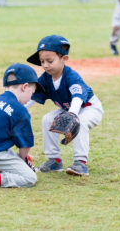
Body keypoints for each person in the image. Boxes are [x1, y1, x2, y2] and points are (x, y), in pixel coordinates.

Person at [26, 35, 104, 176]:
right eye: (42, 61)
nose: (45, 65)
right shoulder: (45, 78)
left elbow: (78, 96)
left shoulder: (71, 76)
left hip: (89, 107)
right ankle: (54, 160)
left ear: (64, 59)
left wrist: (72, 114)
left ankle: (80, 163)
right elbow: (32, 97)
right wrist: (19, 108)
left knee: (79, 122)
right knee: (47, 119)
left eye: (50, 61)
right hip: (68, 109)